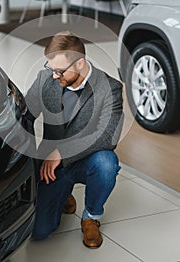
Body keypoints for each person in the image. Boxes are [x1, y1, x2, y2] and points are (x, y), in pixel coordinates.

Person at [25, 31, 124, 248]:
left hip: (87, 160)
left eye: (59, 71)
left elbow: (108, 136)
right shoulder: (45, 79)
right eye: (51, 69)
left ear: (80, 64)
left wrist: (62, 152)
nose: (53, 76)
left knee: (107, 163)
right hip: (51, 168)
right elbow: (25, 116)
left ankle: (91, 216)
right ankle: (64, 194)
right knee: (39, 232)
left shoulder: (110, 88)